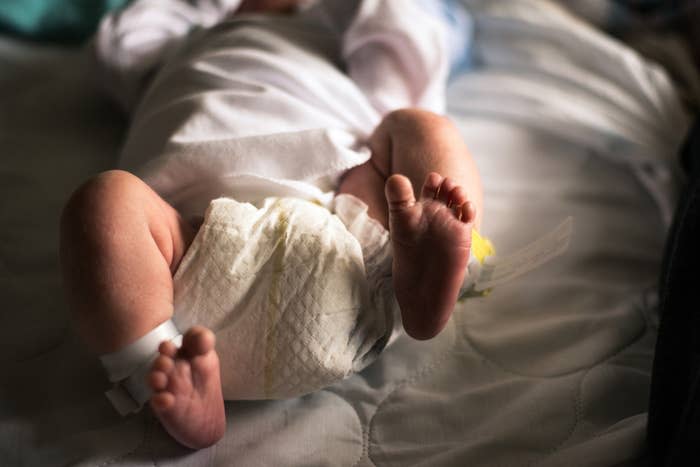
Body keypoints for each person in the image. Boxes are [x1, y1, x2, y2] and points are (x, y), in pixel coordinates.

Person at [59, 0, 483, 449]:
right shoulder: (169, 46)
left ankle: (424, 275)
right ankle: (159, 371)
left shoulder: (336, 36)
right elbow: (118, 42)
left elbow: (406, 50)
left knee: (419, 125)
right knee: (104, 202)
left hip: (351, 235)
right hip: (181, 258)